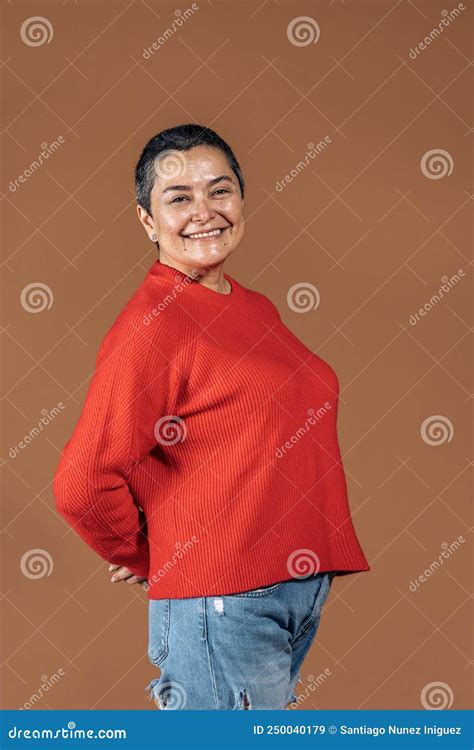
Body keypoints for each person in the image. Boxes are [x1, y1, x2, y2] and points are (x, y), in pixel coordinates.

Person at [53, 123, 370, 710]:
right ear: (148, 221)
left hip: (288, 593)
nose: (205, 211)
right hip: (225, 602)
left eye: (219, 191)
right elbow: (82, 482)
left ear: (241, 200)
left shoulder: (251, 306)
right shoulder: (154, 324)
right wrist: (148, 554)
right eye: (178, 198)